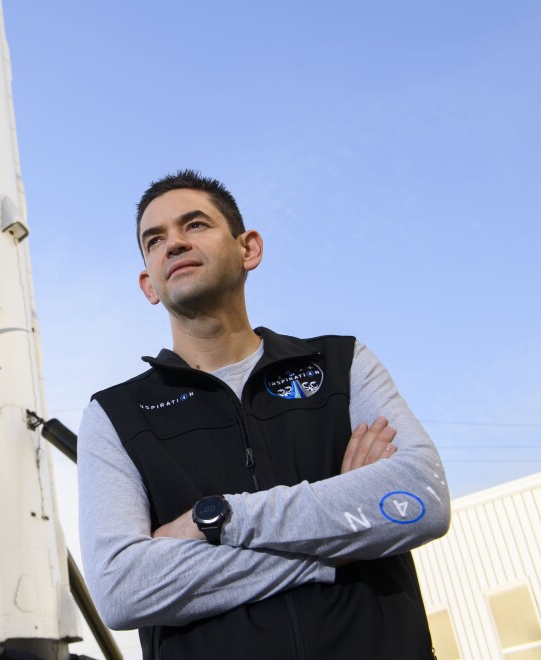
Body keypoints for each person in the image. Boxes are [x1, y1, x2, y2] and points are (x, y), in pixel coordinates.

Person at [77, 170, 450, 660]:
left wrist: (218, 520)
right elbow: (122, 589)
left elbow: (419, 499)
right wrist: (345, 535)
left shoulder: (341, 363)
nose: (174, 244)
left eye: (195, 225)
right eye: (155, 239)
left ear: (248, 248)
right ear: (149, 284)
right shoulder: (116, 416)